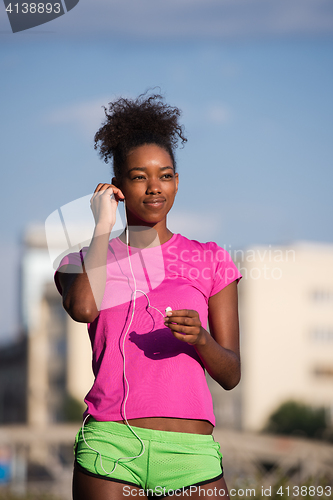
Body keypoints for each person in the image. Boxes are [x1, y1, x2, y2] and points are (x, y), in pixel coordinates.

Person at [54, 92, 242, 500]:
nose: (155, 187)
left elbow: (231, 375)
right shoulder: (78, 261)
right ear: (117, 186)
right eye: (139, 176)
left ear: (177, 181)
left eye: (166, 175)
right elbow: (84, 307)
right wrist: (103, 226)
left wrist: (201, 340)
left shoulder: (210, 259)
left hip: (190, 453)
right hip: (110, 447)